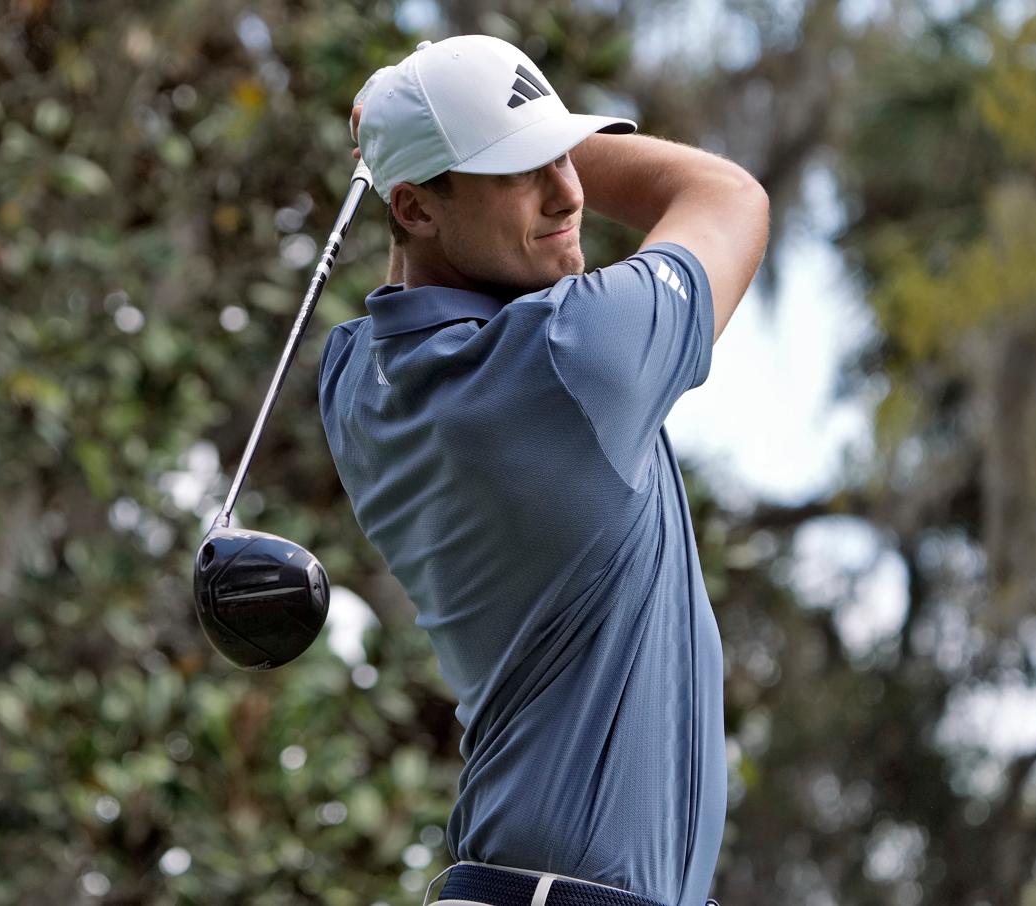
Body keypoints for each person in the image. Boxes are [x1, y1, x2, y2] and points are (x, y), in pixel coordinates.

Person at [318, 35, 768, 906]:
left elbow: (405, 284)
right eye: (523, 169)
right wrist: (426, 133)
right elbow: (725, 194)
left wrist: (461, 139)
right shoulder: (572, 359)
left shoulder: (353, 385)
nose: (571, 191)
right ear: (413, 208)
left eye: (567, 154)